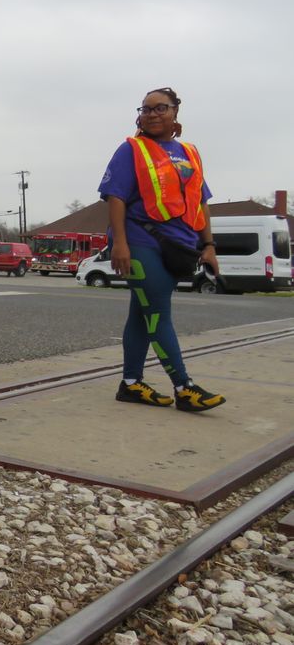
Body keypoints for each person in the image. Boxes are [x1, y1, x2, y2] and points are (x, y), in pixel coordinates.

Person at [99, 87, 226, 413]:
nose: (153, 114)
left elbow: (201, 202)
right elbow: (115, 197)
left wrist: (208, 245)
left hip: (179, 245)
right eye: (146, 109)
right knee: (158, 313)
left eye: (160, 108)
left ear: (175, 112)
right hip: (141, 242)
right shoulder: (132, 150)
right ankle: (184, 388)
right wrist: (121, 243)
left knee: (141, 315)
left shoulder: (190, 153)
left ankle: (131, 384)